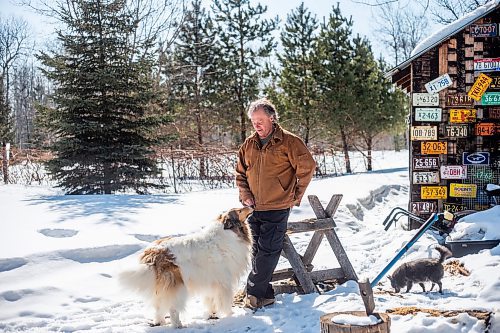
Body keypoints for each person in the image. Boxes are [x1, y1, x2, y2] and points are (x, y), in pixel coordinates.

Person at [235, 97, 316, 309]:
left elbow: (307, 168)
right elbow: (240, 174)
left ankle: (252, 293)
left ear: (272, 118)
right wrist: (244, 194)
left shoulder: (289, 141)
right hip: (253, 208)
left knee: (268, 250)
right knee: (255, 251)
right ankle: (266, 294)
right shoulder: (248, 144)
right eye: (253, 121)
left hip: (278, 206)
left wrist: (295, 196)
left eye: (260, 120)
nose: (257, 125)